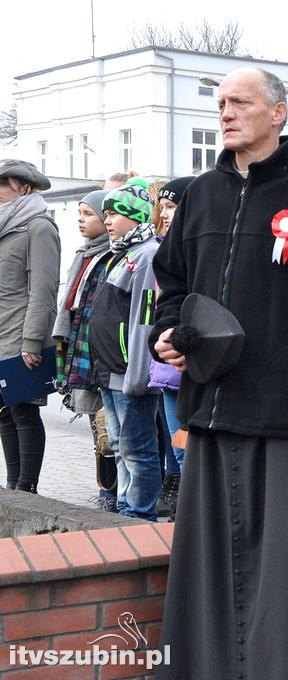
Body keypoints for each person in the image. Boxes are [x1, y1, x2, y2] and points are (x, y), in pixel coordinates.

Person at [150, 66, 288, 680]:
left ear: (277, 113)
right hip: (215, 405)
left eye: (240, 102)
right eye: (220, 103)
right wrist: (168, 333)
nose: (225, 112)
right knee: (212, 566)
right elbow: (171, 283)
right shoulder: (200, 192)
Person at [90, 178, 162, 520]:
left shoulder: (146, 256)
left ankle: (139, 513)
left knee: (138, 449)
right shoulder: (121, 254)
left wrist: (138, 371)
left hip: (128, 372)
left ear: (135, 216)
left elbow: (144, 319)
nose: (107, 220)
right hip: (109, 370)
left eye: (115, 213)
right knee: (119, 446)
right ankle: (123, 507)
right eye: (105, 214)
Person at [52, 188, 118, 510]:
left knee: (113, 433)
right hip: (82, 350)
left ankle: (115, 495)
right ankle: (105, 491)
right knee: (98, 428)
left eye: (88, 214)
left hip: (100, 353)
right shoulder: (84, 255)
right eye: (80, 213)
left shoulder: (111, 257)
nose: (81, 219)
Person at [0, 160, 60, 494]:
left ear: (22, 187)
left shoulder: (38, 226)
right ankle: (12, 489)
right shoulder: (5, 225)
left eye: (1, 185)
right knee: (5, 413)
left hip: (22, 335)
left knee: (23, 411)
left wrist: (32, 340)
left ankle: (27, 488)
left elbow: (43, 288)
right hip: (1, 331)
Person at [149, 176, 195, 520]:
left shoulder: (197, 248)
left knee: (191, 450)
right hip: (166, 368)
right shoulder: (164, 250)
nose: (164, 214)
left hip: (191, 368)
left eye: (171, 207)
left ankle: (194, 515)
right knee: (178, 450)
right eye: (161, 207)